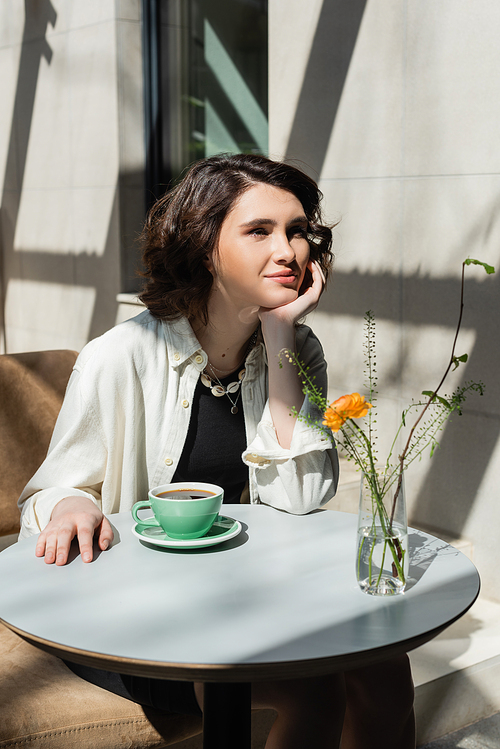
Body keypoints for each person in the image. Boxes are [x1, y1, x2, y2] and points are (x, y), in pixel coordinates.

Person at [18, 153, 415, 748]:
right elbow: (49, 493)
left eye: (298, 230)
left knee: (386, 670)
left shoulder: (298, 349)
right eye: (259, 231)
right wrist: (69, 503)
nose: (288, 250)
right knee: (312, 692)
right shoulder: (122, 354)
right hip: (140, 614)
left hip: (252, 595)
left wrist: (280, 334)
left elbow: (301, 497)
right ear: (204, 244)